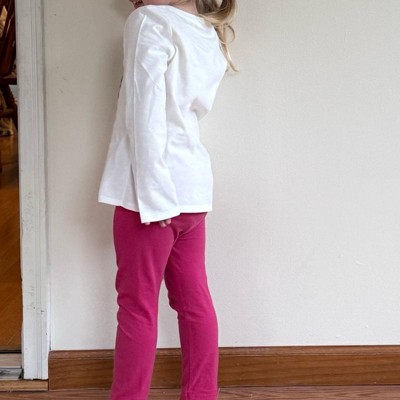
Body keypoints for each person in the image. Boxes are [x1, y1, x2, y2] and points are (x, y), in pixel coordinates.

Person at [98, 0, 238, 398]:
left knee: (137, 307)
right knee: (195, 304)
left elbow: (145, 116)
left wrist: (154, 198)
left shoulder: (148, 21)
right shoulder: (205, 30)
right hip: (192, 188)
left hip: (151, 194)